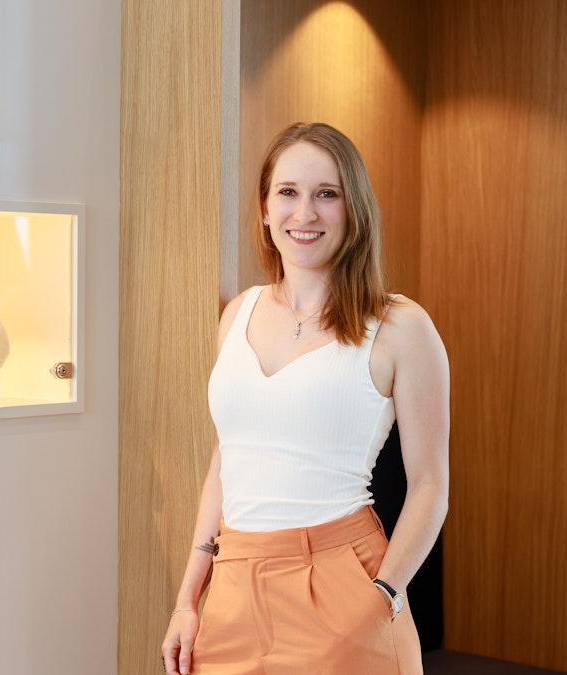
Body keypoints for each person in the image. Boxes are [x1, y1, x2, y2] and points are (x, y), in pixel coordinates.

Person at [160, 122, 449, 675]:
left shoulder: (400, 326)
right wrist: (187, 600)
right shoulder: (237, 313)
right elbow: (226, 460)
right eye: (288, 192)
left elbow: (431, 484)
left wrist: (384, 594)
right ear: (265, 209)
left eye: (327, 194)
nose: (305, 213)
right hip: (233, 589)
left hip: (344, 584)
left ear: (353, 208)